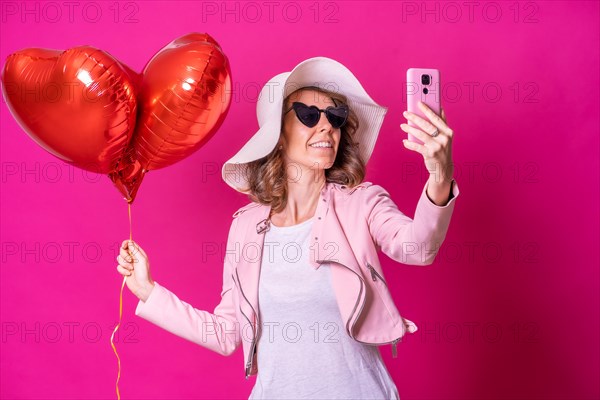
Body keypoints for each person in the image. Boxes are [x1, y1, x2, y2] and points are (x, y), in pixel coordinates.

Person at [116, 57, 460, 399]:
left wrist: (440, 175)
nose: (326, 126)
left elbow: (419, 248)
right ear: (278, 137)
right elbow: (225, 334)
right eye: (309, 115)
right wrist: (149, 291)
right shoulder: (246, 227)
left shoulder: (362, 203)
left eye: (335, 117)